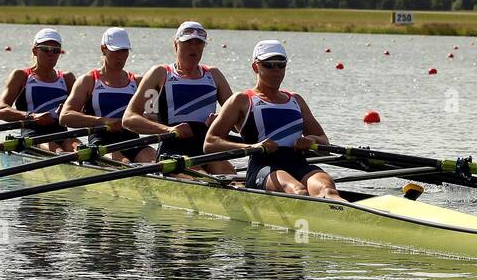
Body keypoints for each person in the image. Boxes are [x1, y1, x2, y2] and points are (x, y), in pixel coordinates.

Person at [205, 40, 342, 200]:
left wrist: (312, 139)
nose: (276, 70)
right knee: (298, 191)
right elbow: (210, 143)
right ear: (255, 67)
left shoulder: (296, 100)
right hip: (263, 168)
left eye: (280, 64)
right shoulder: (242, 100)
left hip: (300, 165)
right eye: (268, 64)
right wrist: (252, 146)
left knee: (328, 191)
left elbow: (324, 144)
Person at [122, 20, 236, 175]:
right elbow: (128, 119)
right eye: (188, 43)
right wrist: (168, 129)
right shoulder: (160, 74)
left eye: (198, 43)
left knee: (230, 175)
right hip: (172, 151)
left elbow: (238, 124)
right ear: (175, 45)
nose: (194, 48)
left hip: (206, 149)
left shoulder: (214, 75)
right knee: (200, 177)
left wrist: (221, 121)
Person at [59, 27, 156, 164]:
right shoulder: (88, 81)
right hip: (101, 143)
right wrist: (103, 121)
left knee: (154, 160)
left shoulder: (138, 81)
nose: (121, 56)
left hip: (133, 141)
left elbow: (155, 116)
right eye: (115, 51)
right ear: (103, 49)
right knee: (124, 163)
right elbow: (65, 117)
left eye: (124, 51)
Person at [0, 28, 77, 152]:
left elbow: (83, 112)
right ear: (34, 51)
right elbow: (1, 111)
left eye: (55, 50)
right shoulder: (21, 76)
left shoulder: (67, 78)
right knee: (57, 151)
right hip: (32, 136)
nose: (51, 53)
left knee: (79, 148)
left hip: (62, 135)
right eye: (45, 49)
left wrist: (68, 111)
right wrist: (32, 116)